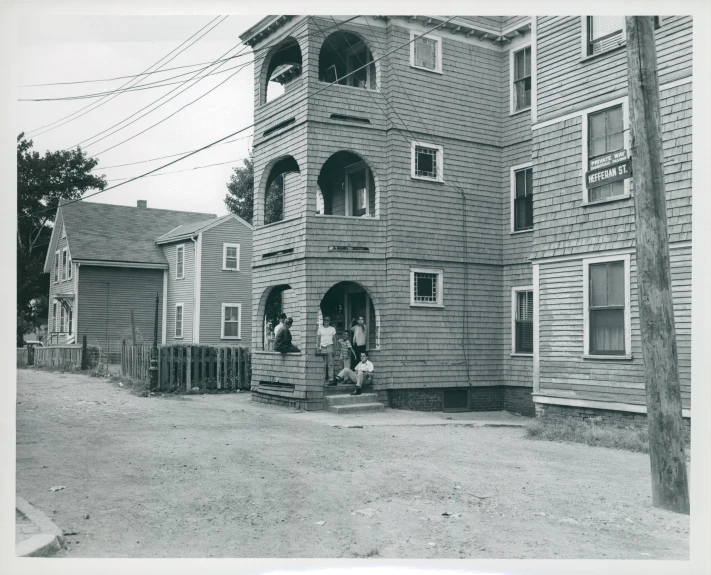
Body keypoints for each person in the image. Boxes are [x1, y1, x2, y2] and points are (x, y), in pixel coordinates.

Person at [316, 315, 337, 383]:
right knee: (323, 364)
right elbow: (318, 339)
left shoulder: (332, 329)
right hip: (322, 347)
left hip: (330, 347)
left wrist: (334, 349)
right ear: (323, 321)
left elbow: (335, 339)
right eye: (325, 320)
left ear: (330, 321)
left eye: (328, 320)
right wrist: (318, 348)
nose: (326, 321)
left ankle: (330, 378)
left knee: (330, 364)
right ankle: (323, 378)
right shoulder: (320, 329)